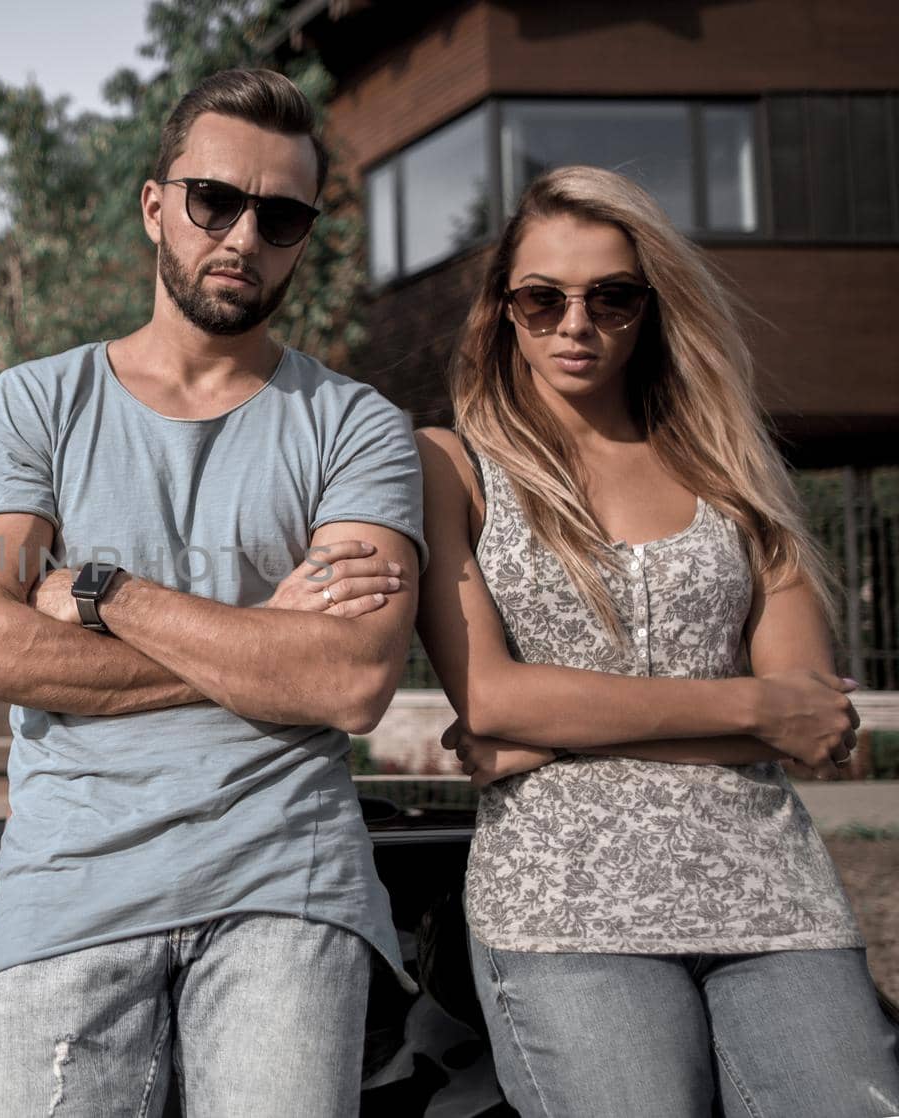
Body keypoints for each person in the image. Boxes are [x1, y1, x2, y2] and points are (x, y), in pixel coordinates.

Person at [0, 69, 424, 1116]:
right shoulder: (36, 403)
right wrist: (265, 645)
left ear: (304, 237)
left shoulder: (359, 427)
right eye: (215, 199)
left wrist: (107, 591)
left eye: (281, 215)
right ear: (155, 203)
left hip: (286, 885)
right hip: (67, 887)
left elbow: (347, 682)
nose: (244, 235)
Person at [397, 164, 899, 1115]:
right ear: (504, 310)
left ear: (651, 306)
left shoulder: (734, 472)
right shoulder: (452, 463)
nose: (574, 325)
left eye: (611, 297)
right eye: (542, 299)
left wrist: (554, 733)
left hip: (772, 894)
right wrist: (754, 708)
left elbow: (817, 721)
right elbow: (495, 700)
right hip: (563, 908)